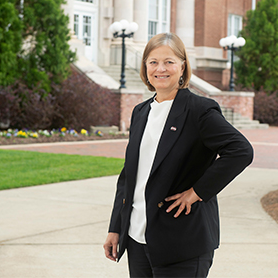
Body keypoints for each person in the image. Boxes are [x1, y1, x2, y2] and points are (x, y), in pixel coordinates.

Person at [103, 32, 253, 277]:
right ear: (145, 68)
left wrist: (197, 193)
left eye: (169, 62)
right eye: (153, 62)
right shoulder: (141, 112)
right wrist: (116, 227)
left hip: (183, 242)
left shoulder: (199, 110)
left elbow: (241, 151)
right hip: (138, 239)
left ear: (182, 66)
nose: (160, 68)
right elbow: (129, 176)